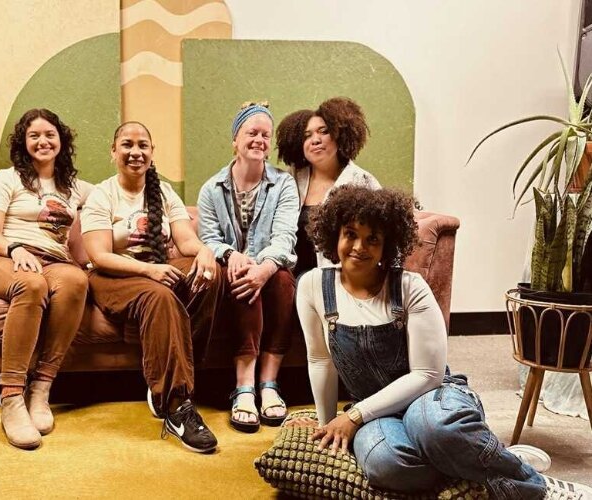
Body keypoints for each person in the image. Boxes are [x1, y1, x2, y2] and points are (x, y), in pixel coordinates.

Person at [291, 184, 592, 499]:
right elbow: (320, 360)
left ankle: (535, 486)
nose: (359, 247)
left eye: (373, 239)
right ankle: (482, 455)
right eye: (350, 234)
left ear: (387, 245)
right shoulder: (313, 286)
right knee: (386, 464)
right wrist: (328, 423)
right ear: (335, 235)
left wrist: (354, 416)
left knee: (435, 429)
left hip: (430, 396)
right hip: (374, 410)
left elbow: (427, 375)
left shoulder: (409, 287)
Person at [81, 121, 222, 453]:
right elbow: (99, 255)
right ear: (113, 151)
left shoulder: (164, 192)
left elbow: (185, 240)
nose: (135, 152)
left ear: (152, 152)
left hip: (157, 270)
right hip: (113, 276)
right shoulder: (102, 194)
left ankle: (169, 378)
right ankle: (176, 406)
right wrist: (149, 270)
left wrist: (205, 252)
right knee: (161, 296)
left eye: (142, 145)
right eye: (127, 144)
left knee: (207, 276)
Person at [0, 108, 90, 450]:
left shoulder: (73, 187)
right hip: (4, 256)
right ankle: (12, 397)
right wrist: (14, 249)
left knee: (76, 281)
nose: (43, 141)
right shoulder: (6, 179)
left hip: (53, 261)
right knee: (32, 284)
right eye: (34, 135)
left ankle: (41, 388)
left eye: (49, 134)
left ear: (61, 140)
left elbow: (117, 194)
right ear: (23, 143)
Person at [197, 102, 300, 433]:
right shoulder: (211, 189)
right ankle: (244, 388)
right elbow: (208, 238)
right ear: (235, 140)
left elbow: (285, 237)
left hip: (271, 267)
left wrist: (263, 268)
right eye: (251, 133)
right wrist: (230, 254)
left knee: (282, 280)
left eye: (265, 135)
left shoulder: (284, 184)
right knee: (241, 277)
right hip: (232, 276)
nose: (259, 140)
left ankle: (268, 384)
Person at [276, 97, 381, 276]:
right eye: (307, 136)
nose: (315, 140)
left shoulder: (362, 181)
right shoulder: (289, 178)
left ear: (339, 135)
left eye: (323, 132)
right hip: (289, 277)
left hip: (340, 279)